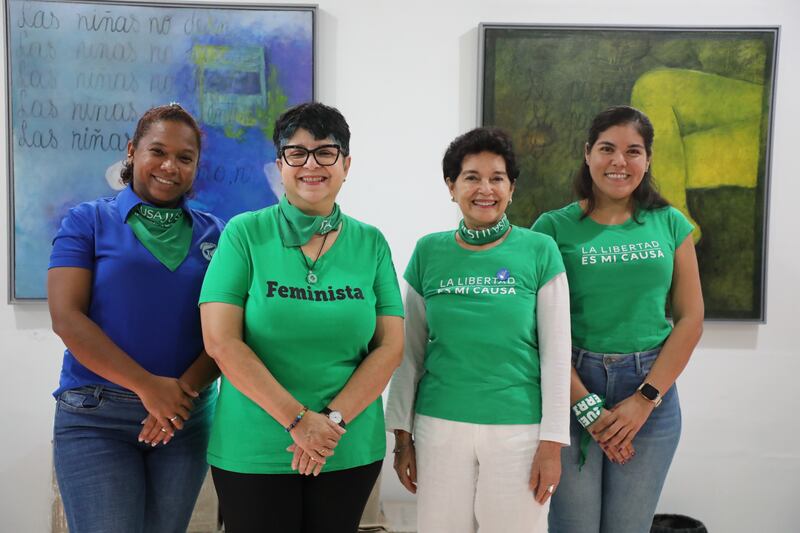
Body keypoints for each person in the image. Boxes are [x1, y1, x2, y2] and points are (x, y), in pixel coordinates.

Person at [198, 102, 404, 533]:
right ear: (280, 166)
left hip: (344, 447)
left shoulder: (371, 243)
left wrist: (328, 424)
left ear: (346, 164)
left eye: (326, 152)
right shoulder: (243, 233)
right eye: (297, 152)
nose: (312, 164)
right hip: (256, 448)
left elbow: (390, 346)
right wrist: (297, 421)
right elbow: (221, 341)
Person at [385, 127, 572, 533]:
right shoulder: (428, 251)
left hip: (519, 431)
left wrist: (552, 444)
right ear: (451, 187)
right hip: (439, 428)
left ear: (511, 188)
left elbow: (557, 355)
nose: (484, 189)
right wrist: (402, 438)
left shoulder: (539, 251)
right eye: (471, 177)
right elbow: (408, 352)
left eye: (497, 178)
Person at [48, 103, 224, 533]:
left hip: (185, 419)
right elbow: (67, 319)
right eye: (157, 151)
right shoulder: (87, 221)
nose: (170, 166)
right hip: (96, 417)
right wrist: (149, 388)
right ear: (132, 151)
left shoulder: (217, 234)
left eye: (185, 158)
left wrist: (178, 397)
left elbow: (227, 333)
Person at [532, 105, 704, 533]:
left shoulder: (671, 224)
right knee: (574, 526)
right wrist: (585, 405)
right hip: (571, 387)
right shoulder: (551, 228)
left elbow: (691, 318)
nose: (619, 162)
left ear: (647, 160)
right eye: (607, 148)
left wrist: (644, 400)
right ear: (588, 153)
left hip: (650, 391)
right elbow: (536, 328)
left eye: (633, 151)